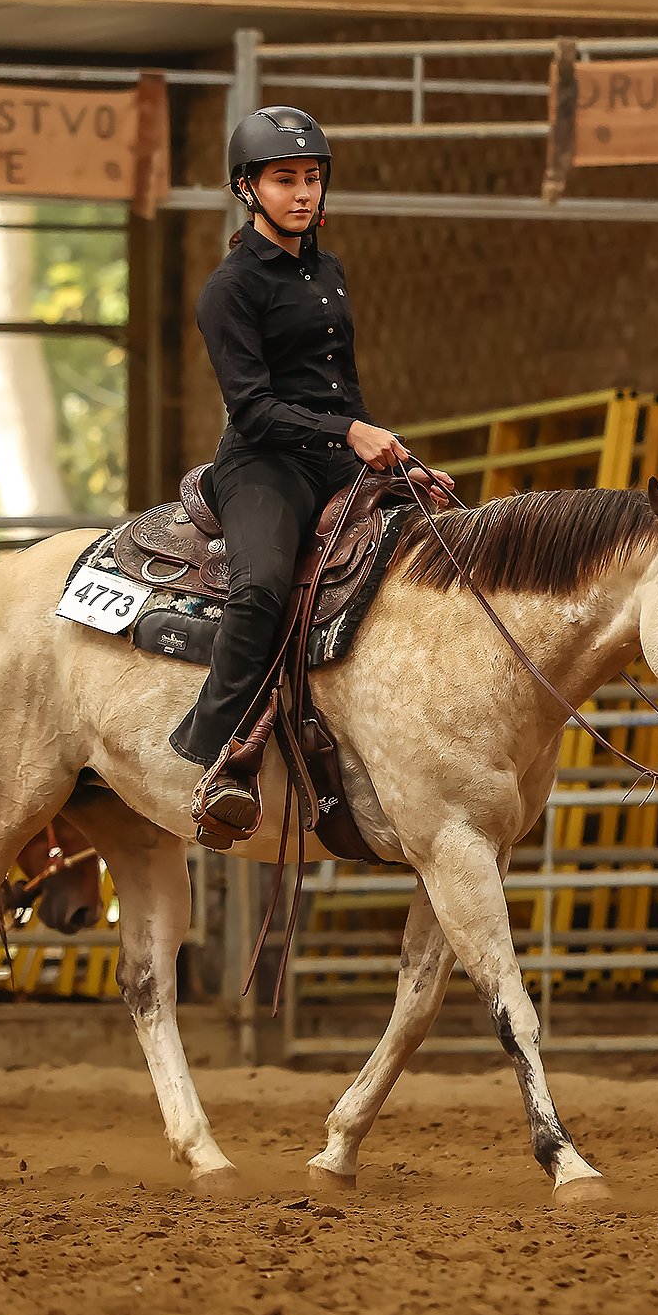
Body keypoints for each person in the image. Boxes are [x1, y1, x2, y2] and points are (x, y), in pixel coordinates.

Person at [170, 106, 448, 842]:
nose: (302, 194)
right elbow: (254, 408)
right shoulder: (229, 289)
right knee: (261, 586)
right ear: (247, 188)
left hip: (337, 454)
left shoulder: (328, 271)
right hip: (263, 462)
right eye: (285, 179)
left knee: (444, 544)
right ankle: (217, 754)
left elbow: (340, 387)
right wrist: (347, 433)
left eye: (312, 179)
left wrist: (395, 457)